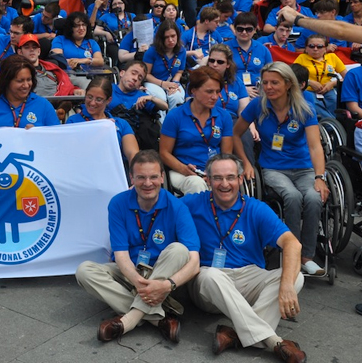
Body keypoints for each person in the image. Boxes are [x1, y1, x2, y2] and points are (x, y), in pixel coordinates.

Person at [181, 154, 307, 363]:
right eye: (218, 178)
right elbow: (161, 207)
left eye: (230, 177)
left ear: (241, 179)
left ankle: (234, 335)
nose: (224, 184)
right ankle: (273, 341)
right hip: (209, 284)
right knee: (211, 275)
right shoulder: (193, 203)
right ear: (208, 180)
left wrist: (286, 286)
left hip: (249, 277)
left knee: (296, 277)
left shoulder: (256, 208)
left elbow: (292, 243)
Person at [75, 150, 200, 343]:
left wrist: (166, 285)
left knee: (179, 250)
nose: (147, 183)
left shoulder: (178, 207)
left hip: (162, 272)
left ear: (162, 177)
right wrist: (139, 283)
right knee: (84, 271)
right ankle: (157, 317)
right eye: (141, 177)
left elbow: (194, 262)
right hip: (131, 270)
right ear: (131, 177)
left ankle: (130, 320)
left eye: (153, 177)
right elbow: (121, 255)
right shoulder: (118, 203)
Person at [232, 62, 328, 276]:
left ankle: (307, 257)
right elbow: (235, 134)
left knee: (314, 198)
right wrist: (246, 163)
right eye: (265, 82)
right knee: (292, 197)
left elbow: (314, 146)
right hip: (273, 167)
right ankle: (292, 253)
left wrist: (320, 177)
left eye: (274, 82)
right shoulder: (257, 105)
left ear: (287, 84)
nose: (268, 86)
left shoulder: (304, 108)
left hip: (303, 167)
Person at [160, 67, 234, 194]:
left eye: (217, 92)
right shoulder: (175, 116)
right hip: (183, 171)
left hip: (215, 171)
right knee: (197, 184)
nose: (215, 97)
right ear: (193, 91)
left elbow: (226, 155)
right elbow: (164, 153)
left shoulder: (224, 116)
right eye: (209, 92)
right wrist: (184, 169)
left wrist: (215, 174)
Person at [0, 55, 59, 128]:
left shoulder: (44, 105)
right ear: (6, 81)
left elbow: (56, 139)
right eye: (20, 81)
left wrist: (39, 135)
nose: (26, 85)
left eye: (29, 80)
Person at [67, 77, 139, 164]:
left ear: (108, 100)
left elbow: (132, 154)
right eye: (89, 97)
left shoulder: (121, 124)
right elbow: (72, 153)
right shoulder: (73, 122)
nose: (92, 103)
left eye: (98, 99)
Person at [293, 34, 346, 118]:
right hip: (308, 90)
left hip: (328, 89)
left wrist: (332, 83)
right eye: (311, 46)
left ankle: (336, 125)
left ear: (325, 49)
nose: (315, 49)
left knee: (335, 102)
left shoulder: (333, 57)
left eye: (320, 46)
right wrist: (309, 82)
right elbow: (293, 76)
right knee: (314, 104)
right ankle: (332, 125)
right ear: (306, 48)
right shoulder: (301, 58)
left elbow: (347, 77)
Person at [14, 33, 79, 96]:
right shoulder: (16, 72)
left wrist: (74, 91)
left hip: (58, 102)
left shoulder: (53, 69)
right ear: (20, 52)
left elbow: (67, 86)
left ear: (39, 51)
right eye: (27, 47)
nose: (31, 50)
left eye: (34, 47)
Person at [143, 20, 186, 111]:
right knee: (160, 98)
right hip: (154, 82)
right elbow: (146, 74)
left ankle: (173, 123)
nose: (170, 40)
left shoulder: (182, 51)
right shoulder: (152, 51)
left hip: (171, 82)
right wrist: (163, 84)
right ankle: (161, 124)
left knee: (176, 97)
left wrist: (174, 84)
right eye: (166, 37)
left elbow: (179, 71)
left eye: (173, 36)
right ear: (161, 38)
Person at [230, 12, 272, 98]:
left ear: (255, 30)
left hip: (259, 91)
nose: (244, 32)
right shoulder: (225, 48)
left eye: (248, 29)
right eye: (240, 29)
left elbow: (271, 73)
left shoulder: (263, 49)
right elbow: (219, 74)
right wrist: (242, 89)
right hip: (233, 91)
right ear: (234, 29)